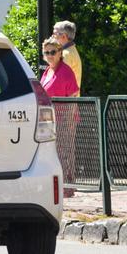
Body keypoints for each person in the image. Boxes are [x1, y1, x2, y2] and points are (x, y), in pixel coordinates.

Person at [40, 38, 79, 196]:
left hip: (64, 118)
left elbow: (73, 96)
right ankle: (57, 186)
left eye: (53, 52)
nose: (50, 55)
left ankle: (67, 187)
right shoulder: (47, 71)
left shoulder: (65, 71)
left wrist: (68, 121)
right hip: (50, 120)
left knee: (65, 153)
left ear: (60, 53)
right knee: (53, 153)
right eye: (47, 52)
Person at [53, 20, 83, 94]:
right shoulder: (71, 51)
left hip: (65, 102)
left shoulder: (65, 55)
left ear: (64, 36)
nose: (52, 36)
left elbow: (59, 80)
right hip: (70, 101)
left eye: (55, 34)